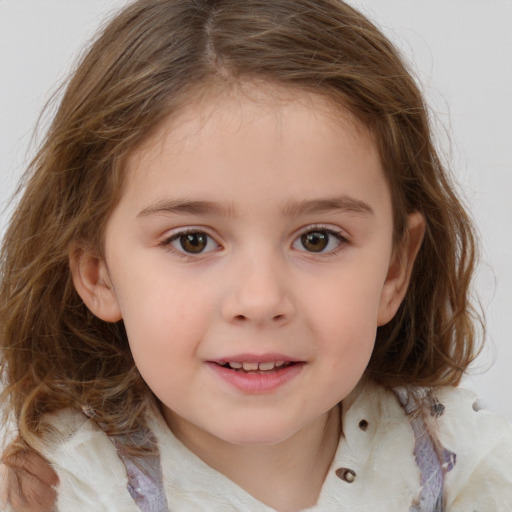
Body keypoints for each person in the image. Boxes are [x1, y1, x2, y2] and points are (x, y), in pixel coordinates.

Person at [1, 0, 511, 510]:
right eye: (192, 241)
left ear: (394, 270)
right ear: (99, 275)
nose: (261, 299)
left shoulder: (468, 466)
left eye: (318, 239)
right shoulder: (58, 489)